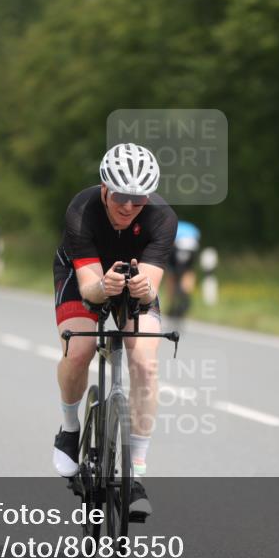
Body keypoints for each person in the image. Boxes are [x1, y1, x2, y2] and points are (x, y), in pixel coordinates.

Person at [52, 143, 176, 519]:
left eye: (138, 200)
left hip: (132, 280)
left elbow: (151, 287)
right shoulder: (82, 210)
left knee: (146, 364)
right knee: (79, 351)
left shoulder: (161, 219)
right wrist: (105, 286)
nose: (127, 207)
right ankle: (70, 430)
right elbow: (90, 287)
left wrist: (143, 290)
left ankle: (135, 472)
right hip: (84, 277)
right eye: (120, 196)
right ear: (105, 188)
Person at [165, 221, 201, 320]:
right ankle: (186, 295)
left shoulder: (170, 223)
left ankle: (172, 303)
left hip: (177, 247)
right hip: (192, 249)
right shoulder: (191, 227)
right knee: (188, 271)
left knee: (172, 274)